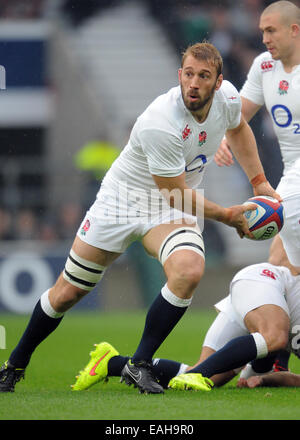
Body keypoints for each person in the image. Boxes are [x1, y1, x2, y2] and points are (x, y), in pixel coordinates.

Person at [0, 42, 279, 395]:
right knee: (67, 293)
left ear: (218, 82)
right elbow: (172, 188)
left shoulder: (229, 100)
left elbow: (238, 129)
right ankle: (14, 365)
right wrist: (228, 215)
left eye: (204, 76)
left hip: (171, 208)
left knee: (188, 270)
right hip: (123, 201)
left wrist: (259, 182)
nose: (194, 83)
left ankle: (139, 363)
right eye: (189, 74)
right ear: (179, 75)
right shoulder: (160, 122)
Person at [71, 257, 300, 392]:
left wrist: (263, 379)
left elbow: (291, 378)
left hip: (265, 304)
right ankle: (199, 373)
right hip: (265, 283)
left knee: (211, 379)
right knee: (274, 337)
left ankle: (111, 363)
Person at [214, 1, 300, 273]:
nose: (264, 39)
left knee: (272, 237)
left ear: (294, 30)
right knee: (279, 264)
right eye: (262, 31)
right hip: (291, 172)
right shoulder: (264, 66)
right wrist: (222, 139)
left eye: (271, 31)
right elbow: (238, 116)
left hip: (294, 180)